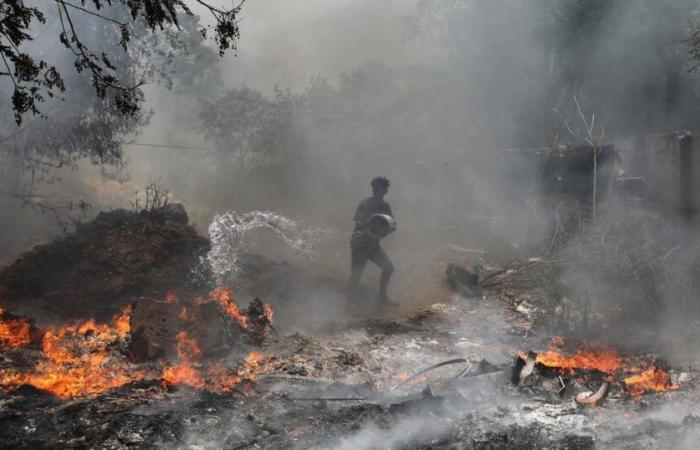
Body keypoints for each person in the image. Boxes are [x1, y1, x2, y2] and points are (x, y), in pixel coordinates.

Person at [348, 176, 397, 308]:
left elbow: (392, 224)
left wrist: (388, 228)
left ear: (385, 191)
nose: (377, 191)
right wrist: (369, 223)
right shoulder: (365, 203)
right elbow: (358, 221)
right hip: (360, 243)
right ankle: (348, 305)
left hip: (373, 245)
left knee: (388, 268)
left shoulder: (385, 206)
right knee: (356, 274)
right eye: (375, 188)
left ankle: (381, 298)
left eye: (380, 188)